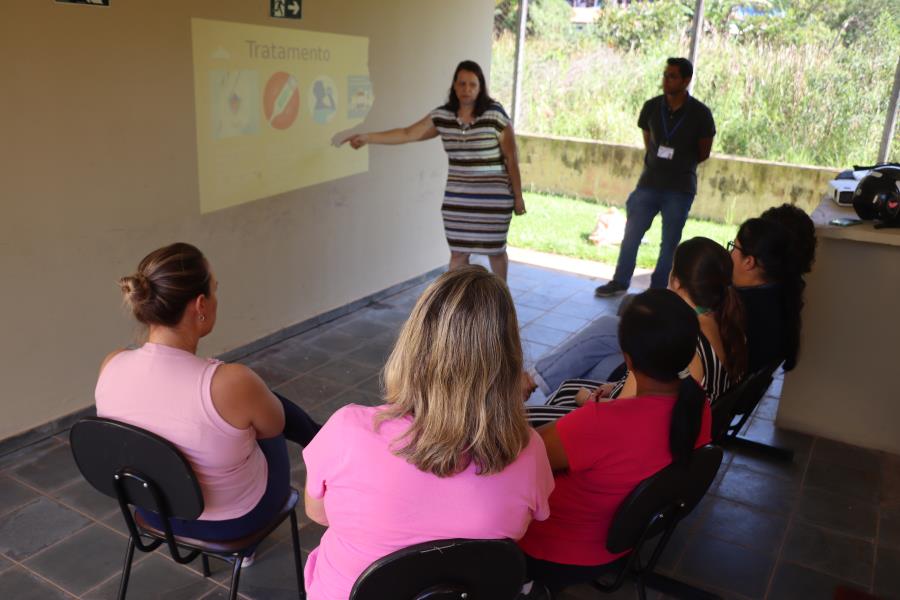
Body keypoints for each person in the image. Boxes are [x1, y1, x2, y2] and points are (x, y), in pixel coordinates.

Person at [302, 266, 554, 600]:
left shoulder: (348, 430)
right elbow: (519, 531)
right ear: (508, 358)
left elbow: (317, 515)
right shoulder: (528, 450)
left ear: (413, 343)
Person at [95, 243, 320, 552]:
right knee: (262, 417)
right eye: (215, 290)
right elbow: (274, 427)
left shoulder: (112, 363)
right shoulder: (231, 382)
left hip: (152, 509)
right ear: (200, 304)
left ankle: (320, 439)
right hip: (233, 522)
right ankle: (324, 446)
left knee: (241, 412)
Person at [517, 290, 712, 597]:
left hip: (555, 549)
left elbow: (518, 456)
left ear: (628, 359)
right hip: (622, 542)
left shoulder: (599, 424)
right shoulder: (698, 404)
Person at [526, 237, 746, 426]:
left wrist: (587, 400)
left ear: (676, 282)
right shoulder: (728, 327)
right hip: (669, 429)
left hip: (637, 433)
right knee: (569, 387)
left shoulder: (678, 337)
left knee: (532, 417)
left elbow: (628, 411)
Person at [341, 60, 526, 281]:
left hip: (492, 201)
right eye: (462, 84)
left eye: (472, 85)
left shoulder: (495, 115)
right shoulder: (443, 117)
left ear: (480, 87)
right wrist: (367, 138)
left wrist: (518, 197)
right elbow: (407, 133)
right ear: (454, 86)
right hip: (458, 202)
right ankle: (453, 304)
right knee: (458, 254)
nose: (466, 89)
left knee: (495, 252)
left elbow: (511, 158)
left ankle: (501, 301)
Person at [595, 57, 716, 297]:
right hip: (648, 184)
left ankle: (658, 289)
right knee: (631, 235)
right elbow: (649, 140)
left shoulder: (700, 114)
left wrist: (679, 163)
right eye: (665, 75)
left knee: (669, 243)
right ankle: (620, 281)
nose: (666, 80)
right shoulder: (651, 106)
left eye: (672, 76)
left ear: (686, 80)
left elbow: (703, 152)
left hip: (680, 188)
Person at [730, 216, 809, 372]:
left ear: (749, 262)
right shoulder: (782, 297)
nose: (730, 253)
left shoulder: (736, 308)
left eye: (734, 247)